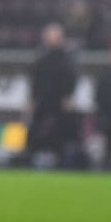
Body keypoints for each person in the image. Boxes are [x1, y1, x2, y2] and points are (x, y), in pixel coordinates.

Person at [27, 23, 78, 169]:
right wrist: (32, 99)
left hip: (59, 102)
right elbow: (35, 80)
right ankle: (31, 158)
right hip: (43, 101)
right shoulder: (41, 59)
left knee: (62, 131)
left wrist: (68, 96)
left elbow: (71, 79)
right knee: (34, 131)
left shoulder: (66, 60)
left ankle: (61, 160)